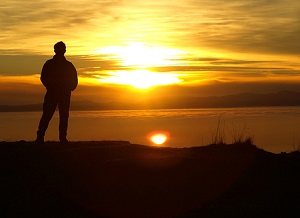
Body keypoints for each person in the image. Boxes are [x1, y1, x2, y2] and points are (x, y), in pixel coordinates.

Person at [35, 41, 78, 144]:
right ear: (55, 50)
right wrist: (51, 87)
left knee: (63, 116)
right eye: (59, 49)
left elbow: (74, 81)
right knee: (47, 115)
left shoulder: (68, 65)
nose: (61, 51)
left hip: (64, 94)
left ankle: (62, 138)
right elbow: (44, 78)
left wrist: (68, 89)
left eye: (62, 49)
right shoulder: (49, 64)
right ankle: (40, 137)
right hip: (52, 94)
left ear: (64, 50)